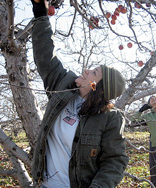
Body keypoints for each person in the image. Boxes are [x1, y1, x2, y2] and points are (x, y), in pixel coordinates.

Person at [30, 1, 129, 187]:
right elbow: (45, 55)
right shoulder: (63, 86)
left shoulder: (110, 119)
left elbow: (115, 160)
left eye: (93, 72)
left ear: (96, 87)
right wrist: (40, 15)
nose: (85, 70)